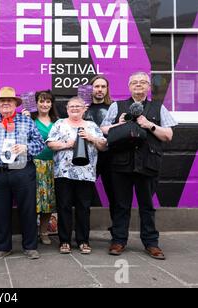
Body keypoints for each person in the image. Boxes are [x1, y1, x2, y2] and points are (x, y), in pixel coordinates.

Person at [101, 72, 177, 260]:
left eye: (143, 82)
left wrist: (149, 124)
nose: (138, 85)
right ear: (129, 86)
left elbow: (168, 135)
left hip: (148, 164)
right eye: (134, 82)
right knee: (120, 205)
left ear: (149, 87)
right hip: (121, 163)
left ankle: (151, 243)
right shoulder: (116, 106)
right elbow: (103, 129)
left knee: (147, 206)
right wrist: (118, 124)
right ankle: (118, 240)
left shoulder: (158, 108)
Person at [0, 87, 45, 260]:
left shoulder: (26, 121)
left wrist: (26, 147)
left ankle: (30, 246)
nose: (6, 103)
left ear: (15, 104)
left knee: (28, 210)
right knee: (1, 211)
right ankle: (3, 247)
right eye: (2, 101)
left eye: (9, 101)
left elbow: (40, 144)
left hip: (23, 171)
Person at [47, 97, 107, 254]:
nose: (74, 108)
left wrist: (92, 138)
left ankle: (83, 240)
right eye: (71, 106)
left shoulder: (92, 126)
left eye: (78, 106)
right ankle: (64, 240)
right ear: (67, 109)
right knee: (64, 206)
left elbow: (103, 146)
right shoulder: (60, 124)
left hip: (85, 174)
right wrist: (68, 144)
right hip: (63, 173)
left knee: (84, 207)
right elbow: (50, 143)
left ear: (84, 109)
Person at [23, 90, 58, 245]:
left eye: (48, 101)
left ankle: (44, 232)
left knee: (48, 201)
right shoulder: (29, 119)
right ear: (36, 103)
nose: (45, 104)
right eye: (42, 101)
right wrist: (23, 120)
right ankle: (31, 233)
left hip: (52, 165)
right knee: (33, 201)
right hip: (34, 165)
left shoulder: (58, 121)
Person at [84, 75, 116, 230]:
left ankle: (117, 231)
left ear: (107, 89)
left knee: (115, 196)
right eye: (96, 86)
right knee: (84, 196)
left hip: (110, 158)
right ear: (91, 88)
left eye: (103, 86)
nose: (100, 90)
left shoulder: (114, 108)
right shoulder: (83, 108)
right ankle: (83, 233)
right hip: (88, 158)